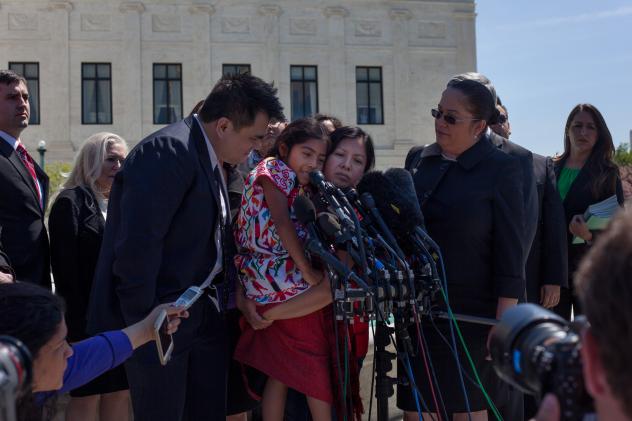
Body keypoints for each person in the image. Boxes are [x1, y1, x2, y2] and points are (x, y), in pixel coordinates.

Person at [86, 73, 284, 421]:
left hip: (202, 315)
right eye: (252, 138)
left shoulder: (209, 158)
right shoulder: (168, 151)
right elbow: (136, 249)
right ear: (224, 125)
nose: (254, 148)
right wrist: (148, 329)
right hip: (161, 323)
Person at [401, 74, 527, 420]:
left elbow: (511, 253)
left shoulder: (503, 169)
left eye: (451, 117)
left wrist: (503, 325)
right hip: (419, 312)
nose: (440, 123)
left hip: (473, 318)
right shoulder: (419, 160)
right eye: (438, 113)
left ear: (479, 125)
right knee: (418, 409)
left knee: (465, 412)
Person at [233, 118, 331, 421]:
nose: (313, 163)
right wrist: (308, 272)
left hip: (264, 282)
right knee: (315, 366)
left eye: (320, 158)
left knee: (280, 371)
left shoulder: (292, 181)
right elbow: (281, 221)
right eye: (307, 153)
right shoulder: (273, 169)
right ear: (286, 148)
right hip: (279, 282)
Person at [0, 282, 187, 421]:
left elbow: (94, 354)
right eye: (59, 346)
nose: (70, 352)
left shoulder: (25, 380)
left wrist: (148, 329)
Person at [48, 132, 129, 421]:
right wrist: (75, 325)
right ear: (91, 160)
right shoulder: (70, 202)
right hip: (85, 320)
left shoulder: (121, 205)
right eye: (111, 159)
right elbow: (64, 271)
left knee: (120, 392)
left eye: (122, 159)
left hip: (120, 318)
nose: (118, 166)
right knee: (87, 394)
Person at [532, 206, 632, 421]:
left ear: (592, 364)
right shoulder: (553, 172)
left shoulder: (604, 174)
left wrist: (587, 235)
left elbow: (612, 228)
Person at [552, 103, 624, 320]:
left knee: (590, 340)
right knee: (554, 339)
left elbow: (617, 229)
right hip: (553, 271)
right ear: (567, 130)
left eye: (590, 127)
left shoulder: (608, 173)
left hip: (589, 269)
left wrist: (589, 235)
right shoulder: (550, 168)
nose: (583, 132)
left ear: (599, 133)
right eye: (577, 126)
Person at [0, 69, 50, 288]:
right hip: (8, 283)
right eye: (12, 97)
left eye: (25, 97)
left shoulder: (24, 158)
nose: (22, 104)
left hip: (35, 281)